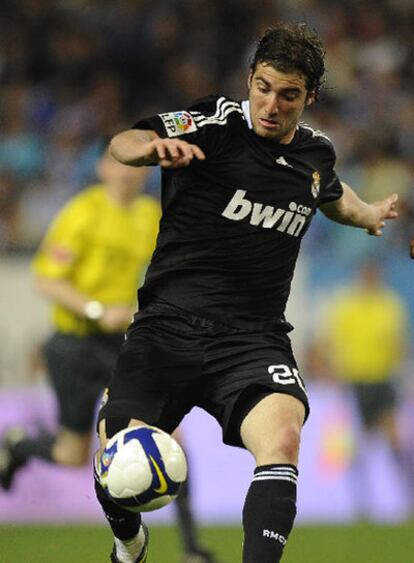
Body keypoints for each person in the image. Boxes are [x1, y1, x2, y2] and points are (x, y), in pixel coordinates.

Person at [93, 22, 399, 563]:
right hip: (167, 328)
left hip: (253, 340)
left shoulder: (315, 153)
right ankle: (128, 542)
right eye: (263, 87)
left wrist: (369, 214)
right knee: (115, 459)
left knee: (282, 437)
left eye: (288, 95)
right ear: (250, 80)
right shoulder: (213, 123)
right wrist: (150, 150)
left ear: (309, 98)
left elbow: (331, 194)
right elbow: (125, 141)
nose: (271, 105)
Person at [0, 151, 217, 563]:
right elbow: (47, 279)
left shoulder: (149, 215)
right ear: (102, 168)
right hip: (74, 344)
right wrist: (98, 309)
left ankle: (191, 548)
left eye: (136, 168)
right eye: (119, 165)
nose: (126, 175)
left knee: (171, 438)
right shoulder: (82, 213)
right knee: (71, 455)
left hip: (123, 344)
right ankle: (20, 447)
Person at [322, 262, 407, 457]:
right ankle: (356, 480)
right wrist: (334, 371)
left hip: (382, 377)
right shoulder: (347, 306)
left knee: (391, 432)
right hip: (355, 378)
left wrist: (399, 369)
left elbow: (398, 342)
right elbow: (334, 341)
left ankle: (403, 477)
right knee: (355, 435)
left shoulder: (389, 305)